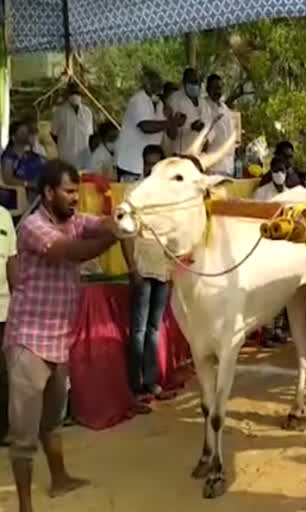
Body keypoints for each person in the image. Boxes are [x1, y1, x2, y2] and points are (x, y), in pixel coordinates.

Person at [5, 160, 117, 512]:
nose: (74, 198)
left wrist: (124, 221)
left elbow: (99, 224)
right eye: (68, 192)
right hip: (28, 341)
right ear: (48, 193)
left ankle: (59, 480)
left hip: (56, 341)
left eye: (75, 191)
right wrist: (117, 234)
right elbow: (70, 252)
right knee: (24, 435)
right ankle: (25, 507)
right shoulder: (33, 227)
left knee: (52, 422)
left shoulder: (73, 220)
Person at [120, 146, 173, 411]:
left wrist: (173, 266)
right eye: (147, 164)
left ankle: (151, 383)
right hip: (142, 269)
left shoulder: (170, 197)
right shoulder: (134, 194)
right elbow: (124, 233)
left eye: (156, 166)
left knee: (153, 329)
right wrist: (133, 269)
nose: (151, 170)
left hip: (163, 269)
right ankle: (136, 387)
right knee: (139, 331)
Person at [115, 68, 182, 183]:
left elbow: (172, 135)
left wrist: (171, 117)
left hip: (151, 165)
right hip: (131, 162)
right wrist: (171, 122)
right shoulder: (138, 100)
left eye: (159, 83)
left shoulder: (160, 104)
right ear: (146, 83)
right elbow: (145, 127)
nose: (158, 86)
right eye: (155, 82)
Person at [0, 204, 17, 444]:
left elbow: (11, 260)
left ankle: (3, 430)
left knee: (4, 373)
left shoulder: (4, 215)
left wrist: (18, 299)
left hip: (4, 307)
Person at [166, 68, 213, 156]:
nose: (195, 85)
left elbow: (210, 127)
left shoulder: (204, 103)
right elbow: (170, 131)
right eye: (192, 82)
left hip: (199, 153)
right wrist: (190, 127)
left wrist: (204, 130)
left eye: (197, 82)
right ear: (184, 82)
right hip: (180, 152)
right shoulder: (175, 99)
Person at [50, 83, 93, 169]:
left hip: (83, 156)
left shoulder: (87, 112)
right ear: (67, 95)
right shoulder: (59, 111)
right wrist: (63, 144)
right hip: (66, 156)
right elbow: (53, 133)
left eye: (77, 93)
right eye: (72, 93)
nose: (75, 96)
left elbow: (90, 134)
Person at [204, 74, 236, 177]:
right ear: (208, 89)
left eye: (220, 88)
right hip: (212, 167)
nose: (218, 91)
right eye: (215, 88)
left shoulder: (225, 108)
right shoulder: (204, 106)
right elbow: (205, 137)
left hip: (228, 166)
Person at [1, 121, 45, 190]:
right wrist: (28, 184)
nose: (26, 135)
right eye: (22, 132)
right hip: (26, 193)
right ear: (13, 137)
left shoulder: (30, 154)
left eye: (27, 132)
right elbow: (7, 179)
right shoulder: (9, 156)